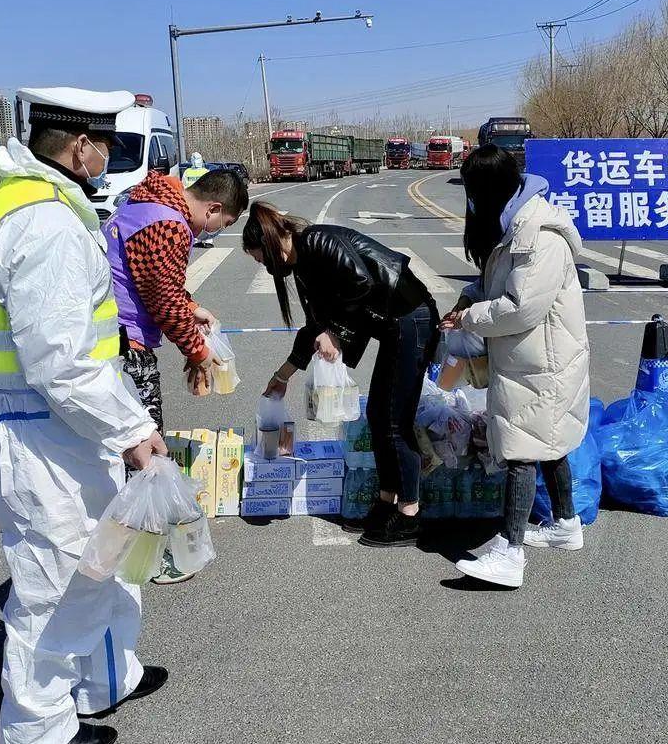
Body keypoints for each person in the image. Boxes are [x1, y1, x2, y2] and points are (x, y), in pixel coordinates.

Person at [0, 87, 168, 744]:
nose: (110, 156)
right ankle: (38, 732)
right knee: (51, 591)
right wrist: (136, 431)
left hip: (55, 426)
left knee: (103, 560)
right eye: (107, 143)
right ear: (79, 147)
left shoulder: (16, 200)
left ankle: (108, 680)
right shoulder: (47, 224)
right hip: (39, 433)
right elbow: (60, 364)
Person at [242, 204, 439, 547]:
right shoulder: (302, 267)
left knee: (395, 422)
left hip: (411, 318)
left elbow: (360, 282)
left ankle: (410, 515)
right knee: (379, 415)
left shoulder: (317, 242)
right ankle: (386, 501)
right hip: (394, 327)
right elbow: (313, 327)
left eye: (260, 258)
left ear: (271, 243)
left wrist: (336, 332)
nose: (263, 265)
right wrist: (283, 375)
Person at [441, 145, 590, 589]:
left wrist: (470, 318)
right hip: (534, 359)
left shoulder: (539, 236)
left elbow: (521, 307)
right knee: (548, 440)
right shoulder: (515, 225)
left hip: (544, 361)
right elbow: (496, 284)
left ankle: (510, 551)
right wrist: (469, 298)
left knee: (524, 448)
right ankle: (566, 524)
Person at [103, 166, 249, 583]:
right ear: (214, 207)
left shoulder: (144, 201)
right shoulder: (171, 224)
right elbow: (162, 299)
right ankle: (146, 557)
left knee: (121, 447)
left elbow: (153, 280)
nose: (215, 231)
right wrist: (199, 351)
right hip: (125, 343)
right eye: (222, 224)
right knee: (145, 448)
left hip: (110, 336)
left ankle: (120, 547)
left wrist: (191, 306)